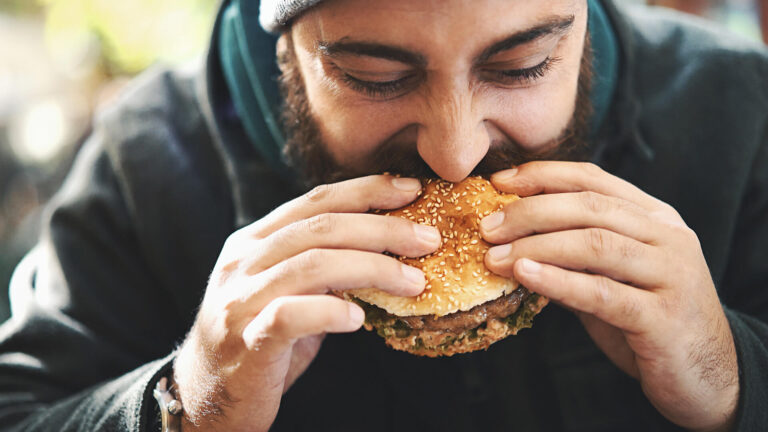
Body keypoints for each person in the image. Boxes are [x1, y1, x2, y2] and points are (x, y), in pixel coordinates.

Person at [0, 0, 767, 431]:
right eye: (374, 77)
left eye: (523, 65)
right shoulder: (146, 161)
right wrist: (182, 403)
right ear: (290, 51)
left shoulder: (742, 110)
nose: (456, 155)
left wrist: (730, 372)